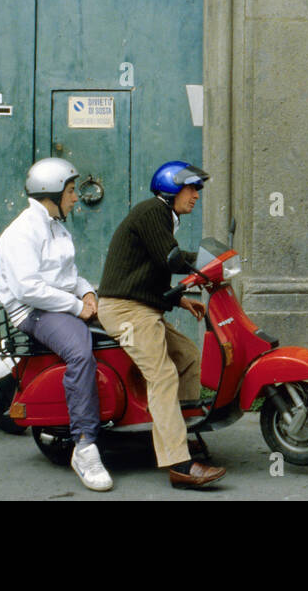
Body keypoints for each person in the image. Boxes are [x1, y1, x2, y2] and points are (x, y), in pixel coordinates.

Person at [96, 160, 226, 489]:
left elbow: (144, 272)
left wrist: (179, 299)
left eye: (198, 189)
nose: (196, 195)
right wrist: (210, 262)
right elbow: (168, 259)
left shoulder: (164, 217)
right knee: (163, 374)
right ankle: (178, 464)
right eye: (191, 188)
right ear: (170, 187)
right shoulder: (153, 211)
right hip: (126, 311)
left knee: (187, 355)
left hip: (140, 307)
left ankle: (180, 434)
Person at [0, 157, 113, 492]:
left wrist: (88, 293)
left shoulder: (55, 225)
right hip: (33, 312)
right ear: (51, 193)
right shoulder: (22, 231)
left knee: (127, 324)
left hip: (59, 304)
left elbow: (68, 277)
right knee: (79, 352)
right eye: (72, 191)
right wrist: (78, 308)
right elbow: (28, 289)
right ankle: (86, 446)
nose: (76, 197)